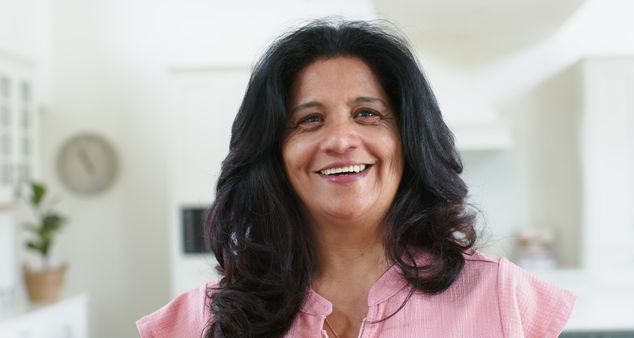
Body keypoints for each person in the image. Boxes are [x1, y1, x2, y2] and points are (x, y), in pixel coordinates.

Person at [137, 19, 575, 338]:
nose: (341, 140)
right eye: (309, 120)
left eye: (367, 114)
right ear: (273, 152)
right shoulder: (197, 322)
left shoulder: (505, 297)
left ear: (408, 139)